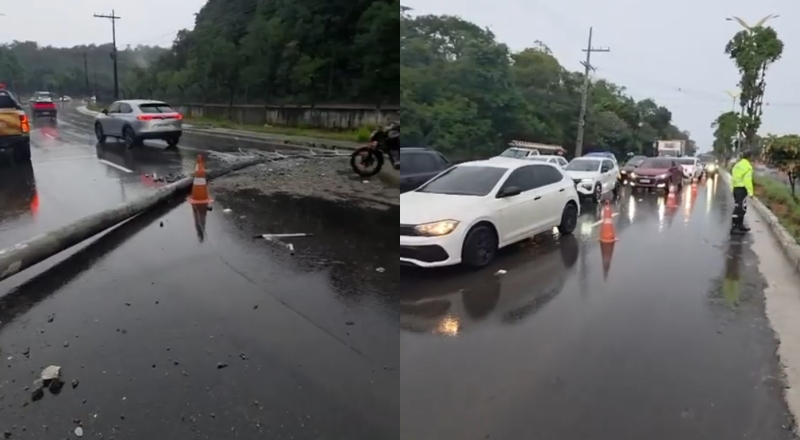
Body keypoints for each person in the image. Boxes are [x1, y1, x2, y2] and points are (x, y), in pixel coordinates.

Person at [730, 150, 755, 234]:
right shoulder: (747, 167)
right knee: (740, 209)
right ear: (750, 157)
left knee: (741, 208)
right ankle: (734, 227)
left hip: (736, 189)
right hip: (742, 189)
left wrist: (732, 188)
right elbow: (747, 180)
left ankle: (740, 225)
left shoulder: (737, 165)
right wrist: (751, 192)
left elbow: (732, 177)